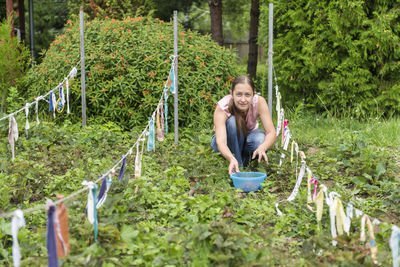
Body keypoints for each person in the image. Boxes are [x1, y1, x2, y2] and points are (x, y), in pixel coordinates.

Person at [211, 75, 276, 175]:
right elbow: (221, 142)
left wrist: (263, 147)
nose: (243, 99)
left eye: (247, 95)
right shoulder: (223, 107)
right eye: (239, 94)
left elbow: (271, 132)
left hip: (249, 138)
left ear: (253, 95)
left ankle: (245, 163)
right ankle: (237, 166)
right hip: (227, 141)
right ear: (231, 94)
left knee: (260, 140)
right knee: (233, 122)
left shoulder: (259, 102)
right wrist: (231, 158)